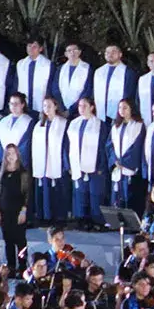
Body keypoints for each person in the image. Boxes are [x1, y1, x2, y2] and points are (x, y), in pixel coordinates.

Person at [67, 96, 108, 228]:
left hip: (95, 167)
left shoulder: (100, 124)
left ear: (92, 107)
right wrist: (69, 164)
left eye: (85, 106)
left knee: (95, 194)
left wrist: (101, 165)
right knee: (80, 194)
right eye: (80, 106)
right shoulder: (73, 124)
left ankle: (96, 222)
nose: (82, 108)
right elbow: (68, 145)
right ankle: (82, 220)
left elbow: (103, 145)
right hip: (78, 165)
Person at [31, 96, 69, 223]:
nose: (46, 109)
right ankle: (44, 216)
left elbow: (65, 145)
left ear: (56, 106)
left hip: (56, 164)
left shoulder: (62, 123)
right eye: (44, 106)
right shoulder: (39, 124)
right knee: (44, 190)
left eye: (49, 106)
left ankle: (58, 217)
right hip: (43, 162)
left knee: (57, 191)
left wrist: (65, 164)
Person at [0, 143, 31, 273]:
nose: (10, 156)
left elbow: (27, 193)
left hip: (18, 211)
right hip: (5, 211)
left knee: (20, 241)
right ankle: (11, 267)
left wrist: (24, 210)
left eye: (13, 153)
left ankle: (22, 268)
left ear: (17, 155)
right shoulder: (1, 171)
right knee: (8, 241)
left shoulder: (23, 173)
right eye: (8, 154)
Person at [106, 98, 146, 211]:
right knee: (116, 198)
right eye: (120, 108)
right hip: (117, 168)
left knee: (129, 197)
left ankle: (130, 226)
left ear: (131, 109)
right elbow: (109, 145)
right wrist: (114, 160)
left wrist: (124, 162)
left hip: (129, 168)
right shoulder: (115, 126)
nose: (122, 110)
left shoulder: (138, 125)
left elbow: (137, 146)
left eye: (125, 107)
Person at [92, 44, 136, 123]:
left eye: (113, 52)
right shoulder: (98, 71)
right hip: (100, 112)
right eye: (107, 52)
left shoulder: (127, 72)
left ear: (120, 54)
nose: (110, 54)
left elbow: (129, 94)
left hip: (119, 114)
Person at [0, 92, 34, 169]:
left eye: (16, 104)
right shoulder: (2, 121)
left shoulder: (28, 121)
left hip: (19, 164)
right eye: (11, 104)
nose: (13, 106)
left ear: (22, 105)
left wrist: (14, 158)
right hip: (3, 162)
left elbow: (26, 145)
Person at [15, 36, 54, 115]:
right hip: (23, 105)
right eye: (29, 46)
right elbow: (15, 84)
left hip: (40, 106)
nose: (31, 49)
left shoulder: (48, 65)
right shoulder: (20, 64)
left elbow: (50, 87)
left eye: (34, 47)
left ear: (40, 49)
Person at [55, 42, 93, 116]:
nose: (72, 53)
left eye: (75, 50)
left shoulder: (87, 68)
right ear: (66, 54)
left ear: (79, 52)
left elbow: (87, 90)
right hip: (61, 109)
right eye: (69, 51)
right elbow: (55, 88)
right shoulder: (60, 69)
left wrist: (72, 109)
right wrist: (61, 107)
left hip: (79, 110)